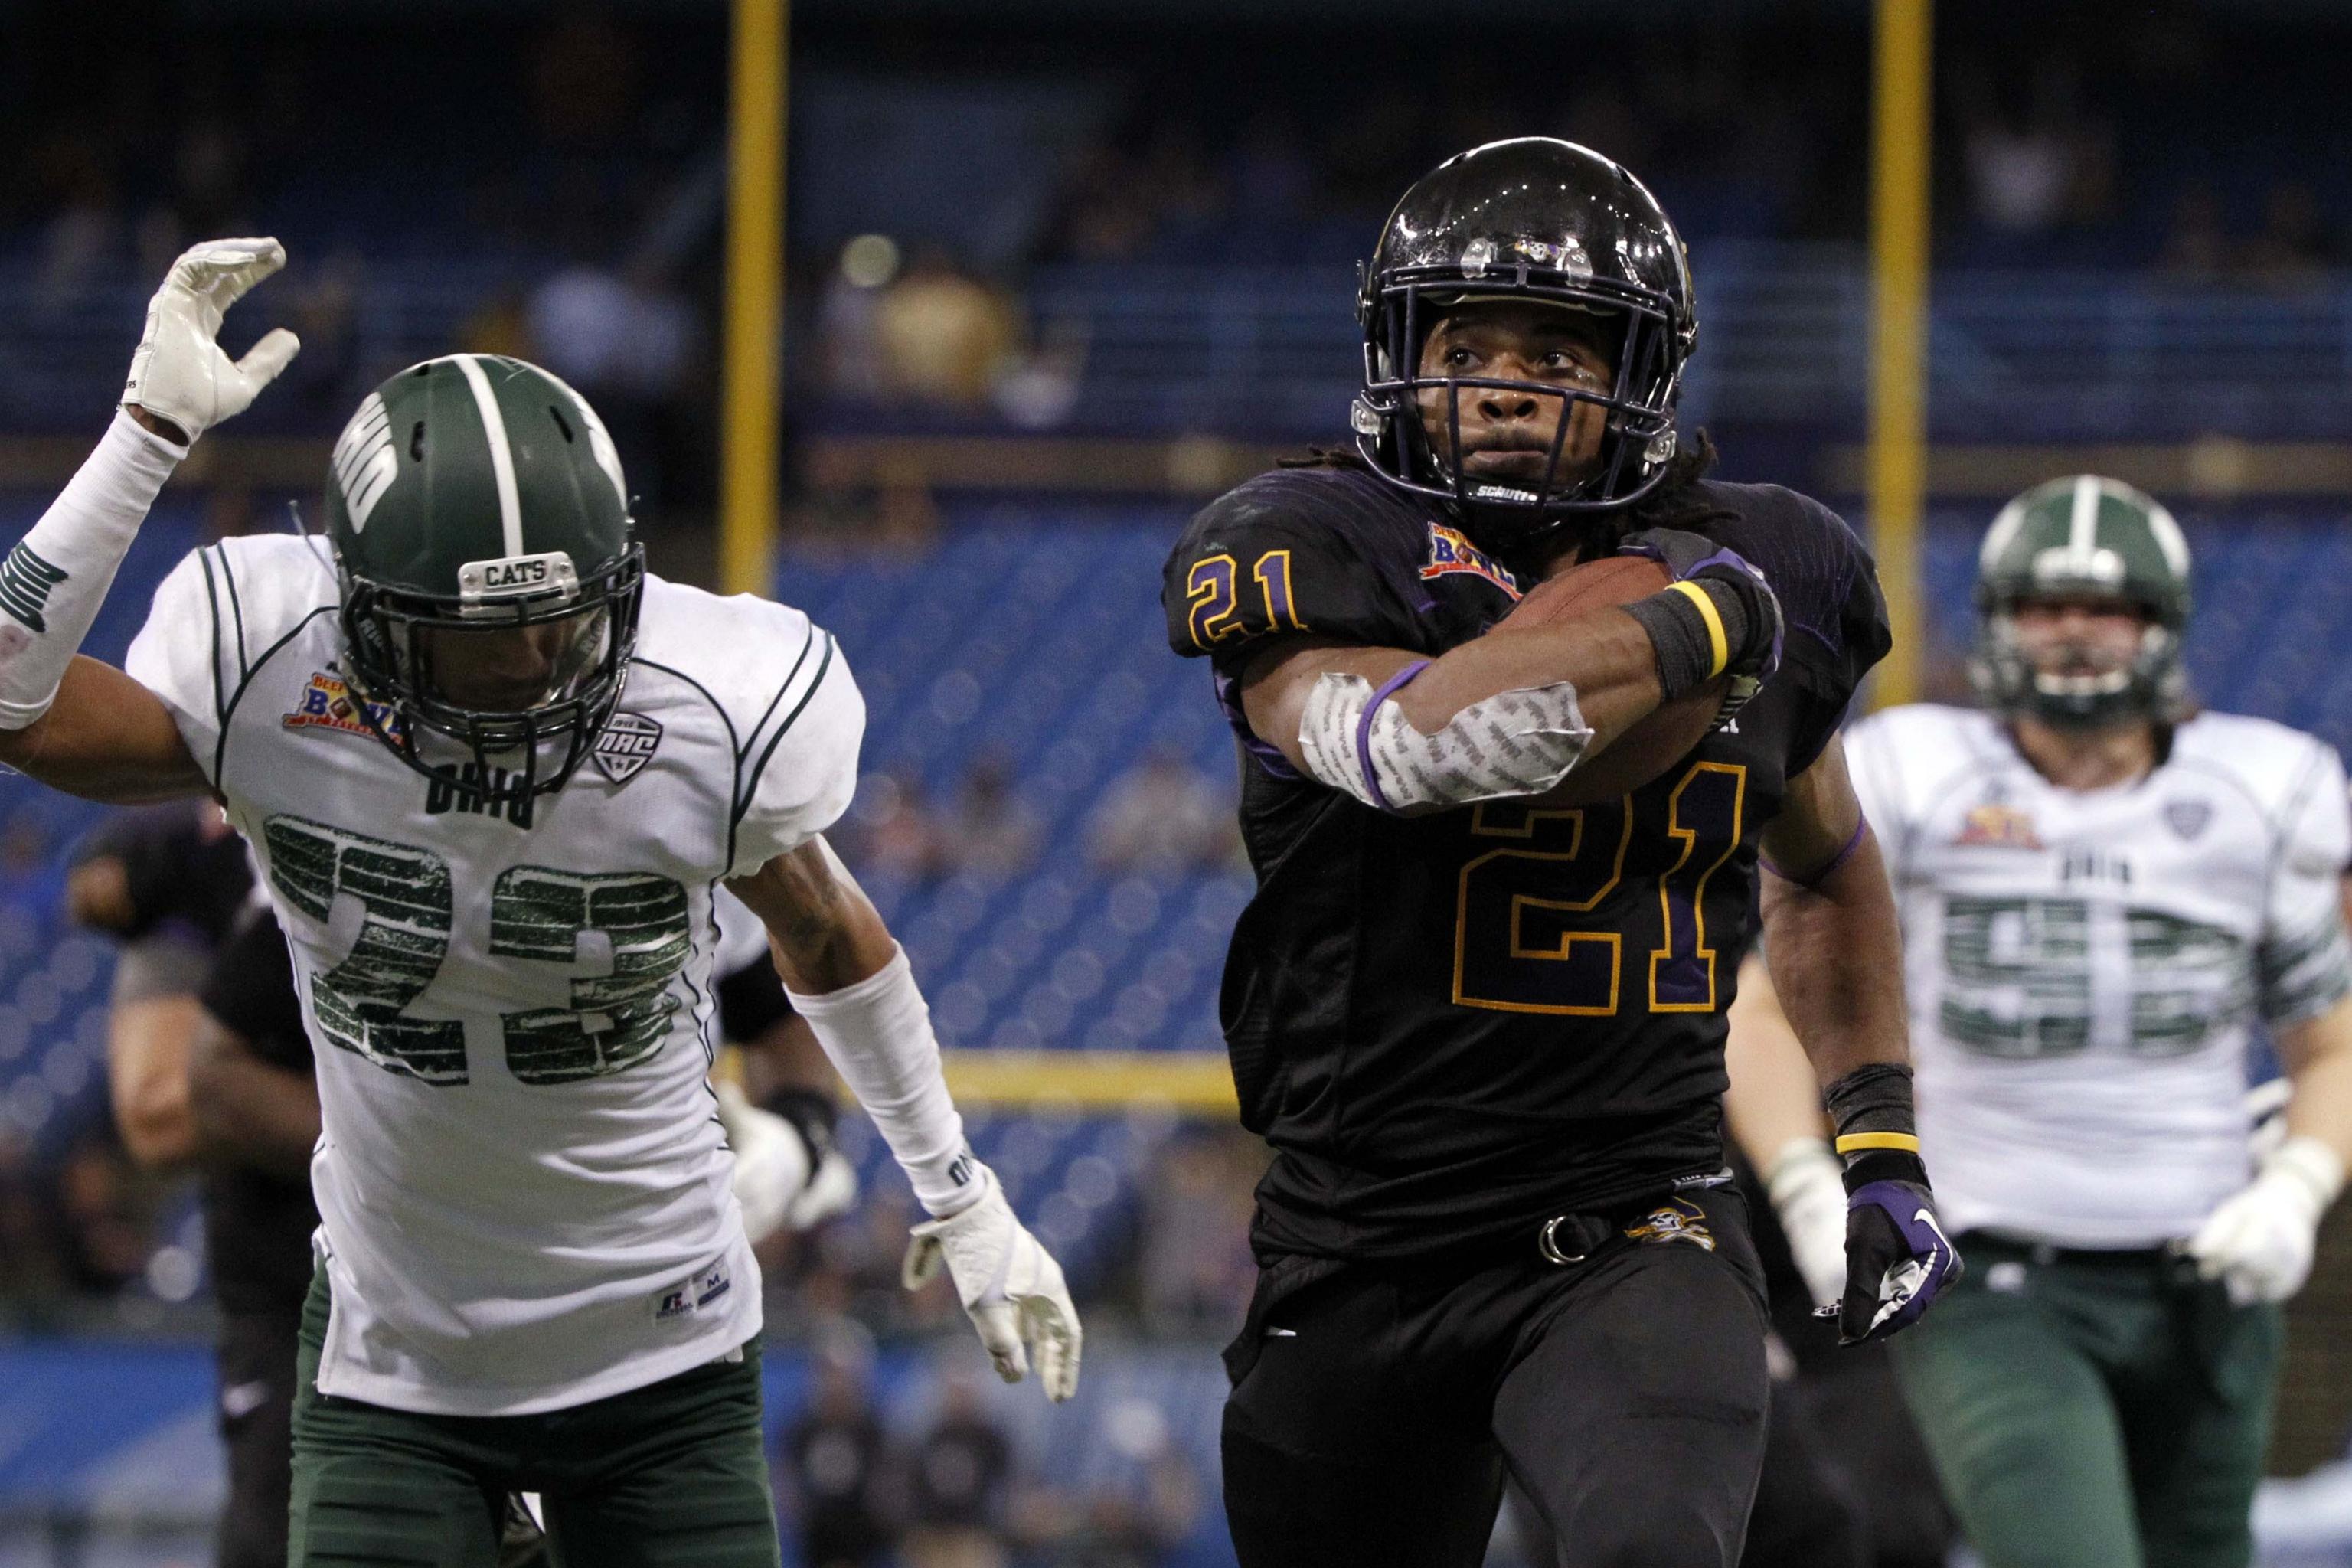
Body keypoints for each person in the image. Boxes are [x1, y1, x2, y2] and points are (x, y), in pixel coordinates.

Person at [0, 237, 1080, 1566]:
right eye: (477, 637)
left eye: (561, 623)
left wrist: (960, 1196)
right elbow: (15, 702)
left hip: (667, 1355)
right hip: (396, 1369)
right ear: (365, 619)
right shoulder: (278, 667)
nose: (529, 665)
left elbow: (831, 940)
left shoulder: (702, 704)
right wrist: (144, 436)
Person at [1156, 138, 1955, 1568]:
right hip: (1357, 1244)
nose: (1509, 382)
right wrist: (1685, 634)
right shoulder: (1308, 538)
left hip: (1633, 1221)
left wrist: (1879, 1130)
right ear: (1404, 353)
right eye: (1468, 343)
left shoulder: (1773, 557)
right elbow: (1411, 750)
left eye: (1560, 351)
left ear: (1634, 381)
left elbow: (1825, 859)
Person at [1728, 475, 2352, 1568]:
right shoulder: (1908, 771)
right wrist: (1804, 1185)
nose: (2071, 632)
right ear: (1997, 619)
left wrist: (2298, 1189)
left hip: (2209, 1277)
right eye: (2041, 604)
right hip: (1994, 1269)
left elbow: (2333, 1043)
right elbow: (1766, 1008)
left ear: (2161, 625)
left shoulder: (2269, 786)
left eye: (2104, 606)